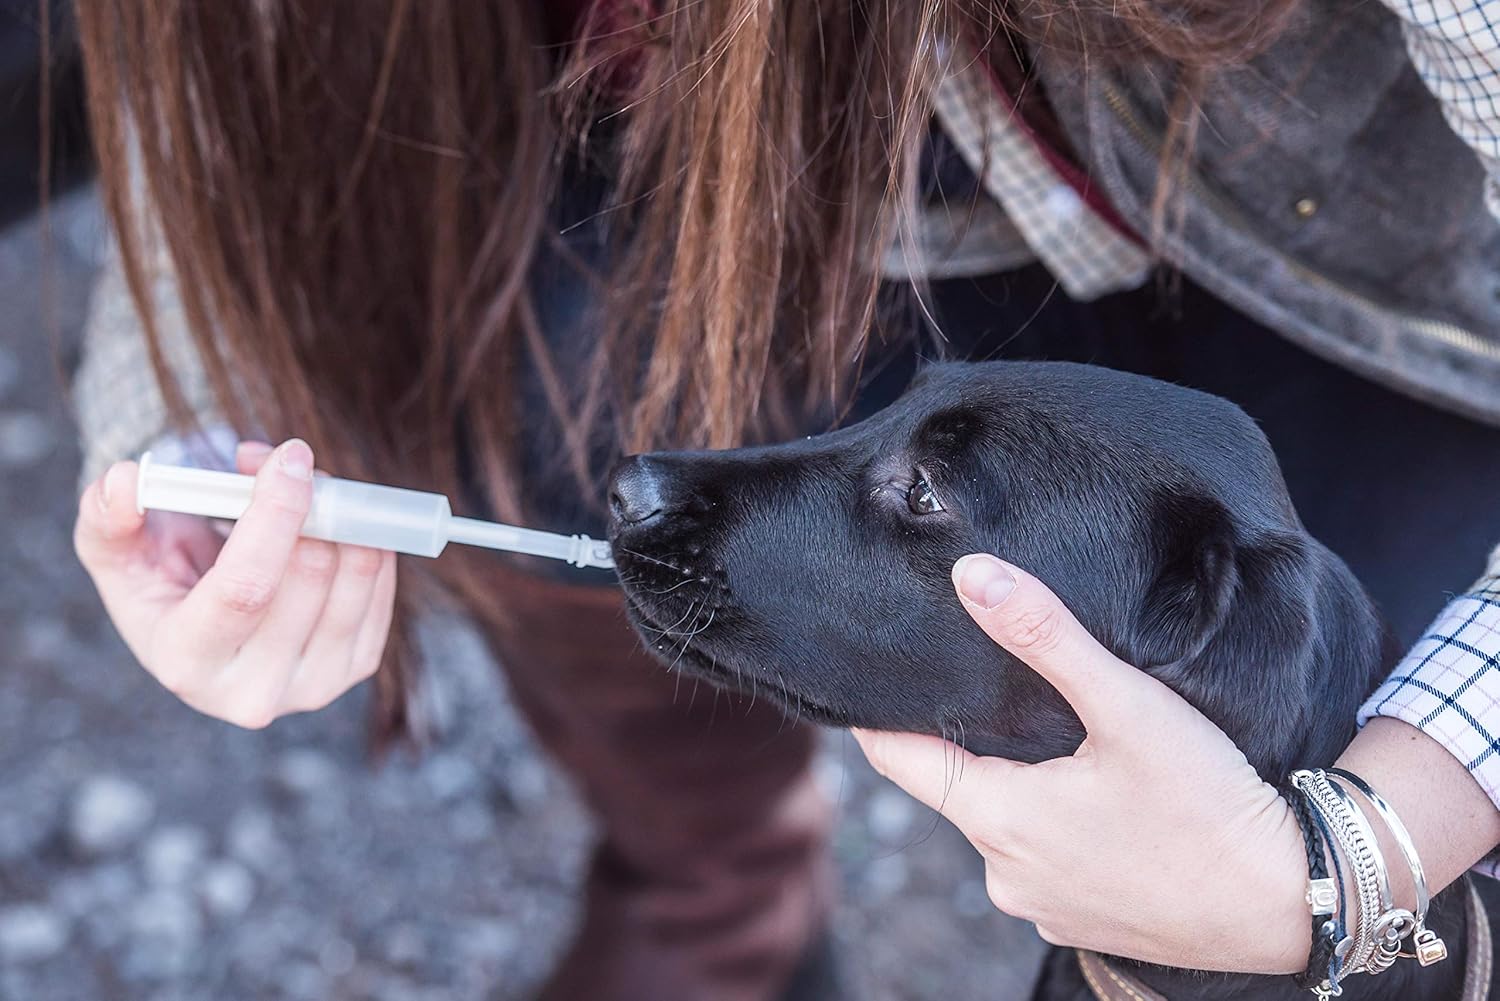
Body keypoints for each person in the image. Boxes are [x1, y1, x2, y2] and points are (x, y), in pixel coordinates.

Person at [66, 0, 1500, 997]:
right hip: (853, 223)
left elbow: (1363, 825)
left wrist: (1351, 855)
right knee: (511, 391)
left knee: (1359, 710)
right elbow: (222, 59)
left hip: (1390, 302)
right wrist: (188, 432)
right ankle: (716, 906)